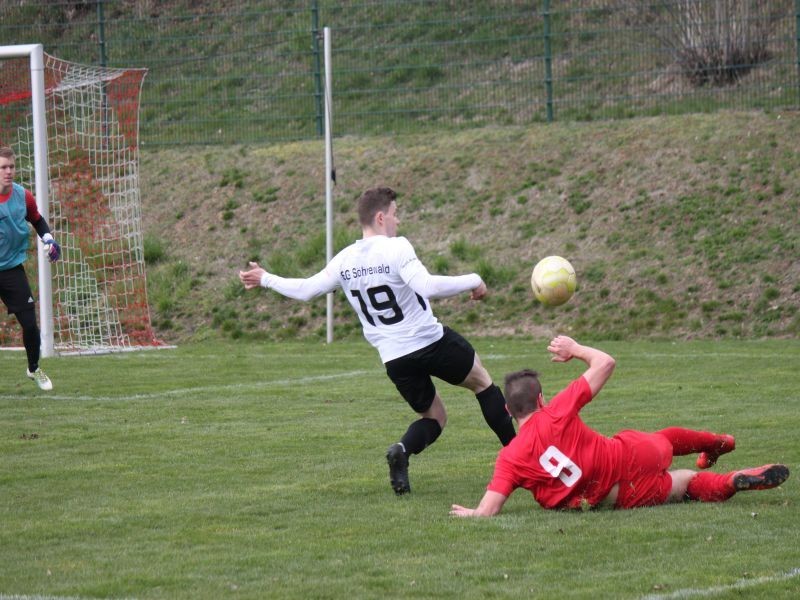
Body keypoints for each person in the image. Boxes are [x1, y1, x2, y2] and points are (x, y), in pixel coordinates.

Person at [239, 186, 515, 494]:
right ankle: (521, 457)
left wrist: (265, 278)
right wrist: (474, 279)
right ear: (381, 217)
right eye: (396, 215)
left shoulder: (344, 259)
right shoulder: (396, 247)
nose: (398, 222)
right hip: (429, 341)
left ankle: (402, 450)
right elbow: (426, 286)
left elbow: (306, 290)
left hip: (395, 359)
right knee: (483, 384)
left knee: (434, 416)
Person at [450, 335, 789, 517]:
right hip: (628, 456)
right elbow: (606, 362)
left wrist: (471, 513)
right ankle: (718, 442)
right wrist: (575, 349)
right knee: (666, 439)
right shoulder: (556, 410)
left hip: (613, 497)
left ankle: (730, 481)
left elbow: (488, 510)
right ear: (541, 400)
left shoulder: (510, 458)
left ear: (508, 410)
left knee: (686, 483)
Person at [0, 146, 61, 391]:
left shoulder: (22, 196)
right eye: (3, 167)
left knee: (30, 323)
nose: (8, 171)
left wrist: (48, 239)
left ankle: (34, 368)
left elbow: (37, 220)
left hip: (11, 268)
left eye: (11, 166)